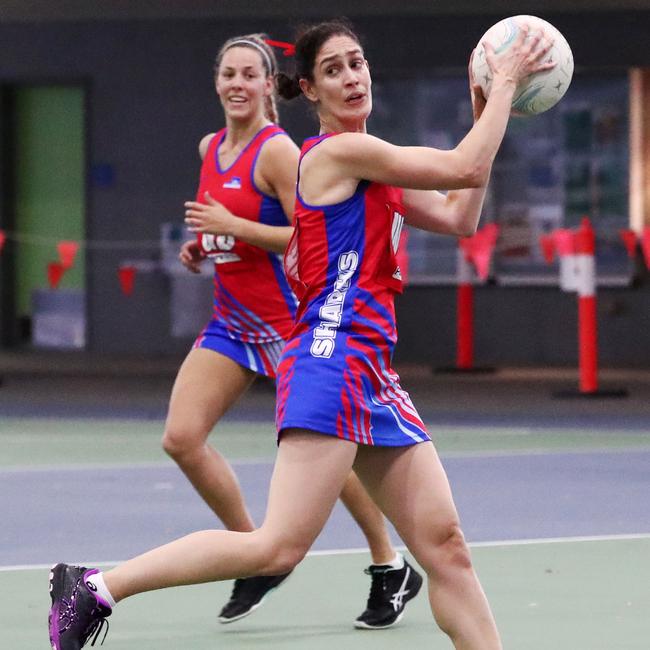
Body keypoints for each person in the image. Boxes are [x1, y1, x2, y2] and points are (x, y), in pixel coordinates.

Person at [48, 19, 553, 650]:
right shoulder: (337, 154)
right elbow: (463, 163)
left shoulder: (375, 166)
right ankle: (95, 588)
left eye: (358, 63)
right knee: (277, 546)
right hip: (332, 359)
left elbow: (460, 210)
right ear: (308, 91)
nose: (352, 77)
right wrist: (504, 86)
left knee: (445, 547)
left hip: (372, 371)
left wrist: (485, 107)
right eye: (334, 69)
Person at [166, 32, 421, 628]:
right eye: (227, 74)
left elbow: (306, 236)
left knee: (335, 456)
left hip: (293, 322)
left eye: (248, 75)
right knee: (181, 437)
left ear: (269, 86)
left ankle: (388, 564)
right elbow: (231, 227)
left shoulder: (280, 152)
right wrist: (206, 244)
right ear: (216, 81)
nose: (236, 84)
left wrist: (235, 225)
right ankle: (258, 549)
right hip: (232, 321)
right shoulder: (211, 147)